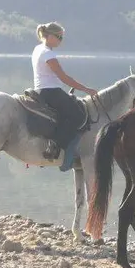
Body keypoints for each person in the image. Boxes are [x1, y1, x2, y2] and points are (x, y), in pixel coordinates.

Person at [31, 22, 98, 172]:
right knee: (79, 116)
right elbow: (63, 78)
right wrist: (86, 89)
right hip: (51, 91)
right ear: (49, 36)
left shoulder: (38, 49)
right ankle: (55, 145)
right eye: (59, 37)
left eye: (62, 37)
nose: (61, 40)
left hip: (42, 90)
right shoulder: (48, 54)